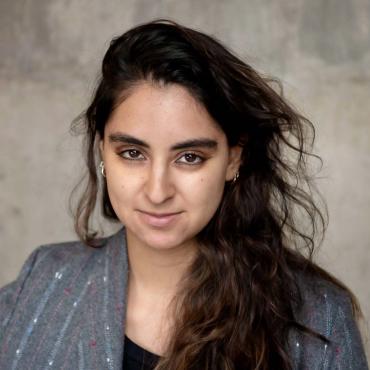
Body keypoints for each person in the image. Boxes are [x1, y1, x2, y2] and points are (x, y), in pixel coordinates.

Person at [0, 19, 368, 370]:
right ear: (102, 152)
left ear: (233, 159)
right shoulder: (42, 280)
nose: (158, 191)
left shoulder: (319, 319)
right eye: (132, 154)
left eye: (189, 157)